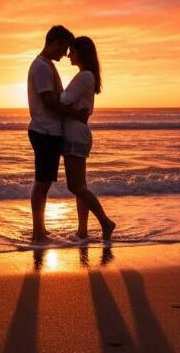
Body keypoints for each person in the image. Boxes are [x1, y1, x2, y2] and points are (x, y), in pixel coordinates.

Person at [26, 25, 88, 243]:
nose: (65, 54)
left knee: (43, 182)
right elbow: (50, 101)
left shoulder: (46, 65)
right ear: (54, 43)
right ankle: (37, 233)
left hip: (48, 131)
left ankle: (40, 231)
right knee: (42, 183)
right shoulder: (42, 67)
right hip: (45, 131)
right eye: (63, 49)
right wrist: (75, 114)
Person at [60, 36, 116, 241]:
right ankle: (82, 230)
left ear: (81, 52)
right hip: (78, 131)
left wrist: (57, 93)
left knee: (74, 186)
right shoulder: (87, 76)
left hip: (75, 133)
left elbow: (64, 99)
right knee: (80, 185)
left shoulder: (84, 76)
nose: (68, 55)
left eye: (72, 51)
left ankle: (105, 222)